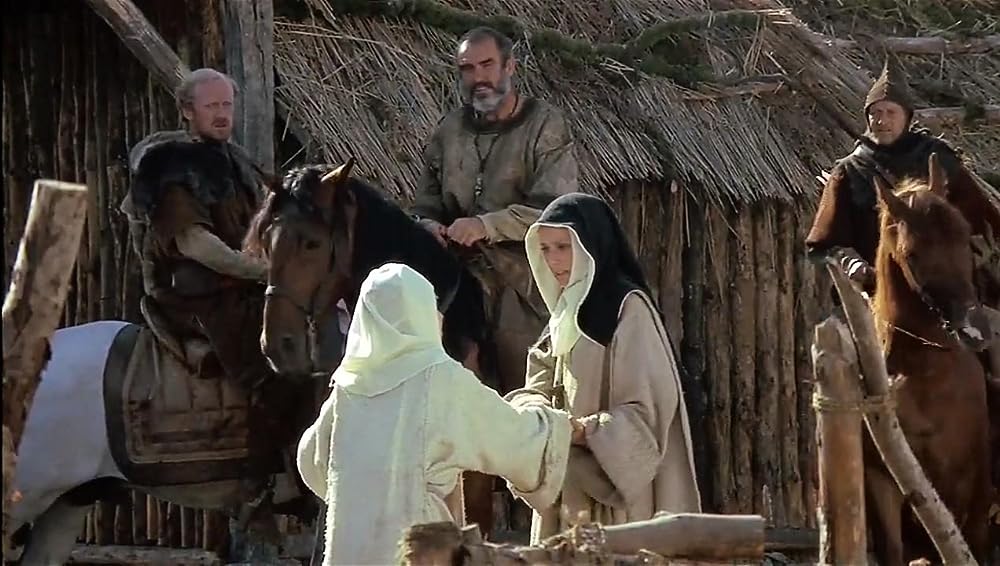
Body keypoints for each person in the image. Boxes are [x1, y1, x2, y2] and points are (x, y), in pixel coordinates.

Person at [296, 262, 573, 565]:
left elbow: (311, 461)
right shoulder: (440, 379)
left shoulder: (349, 386)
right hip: (422, 552)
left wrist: (362, 496)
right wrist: (542, 411)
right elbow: (515, 442)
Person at [121, 68, 291, 508]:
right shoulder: (171, 168)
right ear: (187, 111)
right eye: (211, 106)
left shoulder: (234, 159)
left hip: (237, 283)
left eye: (227, 105)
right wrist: (263, 272)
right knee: (270, 366)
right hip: (197, 294)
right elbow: (197, 245)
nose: (222, 114)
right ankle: (270, 476)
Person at [507, 192, 702, 543]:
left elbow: (648, 411)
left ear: (589, 246)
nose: (553, 260)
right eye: (546, 248)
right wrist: (533, 412)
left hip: (617, 487)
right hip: (570, 483)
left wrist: (588, 432)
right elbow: (537, 382)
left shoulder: (628, 311)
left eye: (563, 247)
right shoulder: (564, 313)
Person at [411, 26, 579, 393]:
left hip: (523, 277)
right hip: (454, 270)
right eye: (467, 69)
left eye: (487, 65)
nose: (478, 78)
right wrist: (426, 224)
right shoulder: (449, 130)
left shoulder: (544, 126)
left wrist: (486, 225)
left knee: (526, 377)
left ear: (509, 67)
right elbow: (426, 201)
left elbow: (555, 209)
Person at [805, 56, 1000, 296]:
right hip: (880, 288)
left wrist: (971, 253)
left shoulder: (938, 158)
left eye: (890, 112)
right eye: (875, 112)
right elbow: (826, 241)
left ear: (906, 117)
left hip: (949, 287)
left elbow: (984, 221)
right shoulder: (850, 170)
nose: (882, 120)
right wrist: (851, 263)